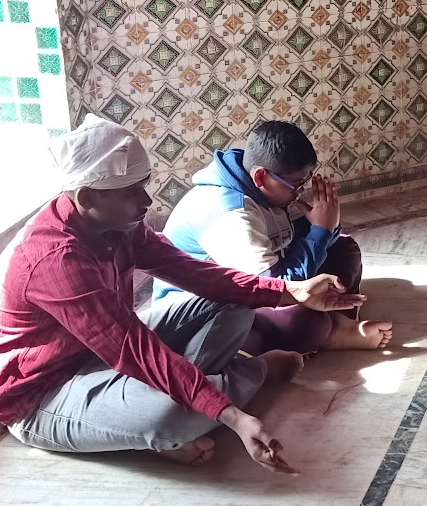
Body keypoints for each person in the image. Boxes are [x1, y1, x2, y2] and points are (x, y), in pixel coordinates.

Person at [0, 114, 364, 471]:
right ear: (87, 198)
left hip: (99, 354)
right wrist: (233, 417)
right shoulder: (56, 262)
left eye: (143, 187)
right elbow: (134, 350)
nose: (147, 202)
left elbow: (199, 274)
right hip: (43, 394)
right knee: (173, 414)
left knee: (234, 303)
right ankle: (247, 376)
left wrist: (290, 290)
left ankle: (170, 414)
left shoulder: (117, 226)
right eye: (132, 192)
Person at [156, 120, 393, 353]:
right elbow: (274, 287)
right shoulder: (229, 213)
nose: (300, 192)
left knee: (344, 248)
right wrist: (321, 231)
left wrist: (328, 224)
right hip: (205, 311)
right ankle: (331, 330)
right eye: (296, 185)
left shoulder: (268, 186)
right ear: (260, 177)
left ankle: (332, 320)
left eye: (305, 181)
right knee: (299, 322)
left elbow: (307, 239)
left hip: (262, 279)